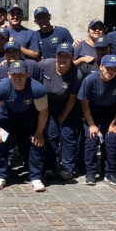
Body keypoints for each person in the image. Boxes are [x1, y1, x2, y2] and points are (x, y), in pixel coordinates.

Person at [0, 61, 49, 191]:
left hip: (29, 114)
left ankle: (36, 177)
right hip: (7, 114)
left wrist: (39, 132)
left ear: (27, 74)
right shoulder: (1, 87)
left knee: (36, 141)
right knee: (0, 139)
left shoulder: (37, 88)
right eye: (14, 75)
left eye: (21, 75)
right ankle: (0, 176)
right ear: (9, 75)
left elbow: (43, 112)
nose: (18, 78)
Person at [78, 54, 116, 186]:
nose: (111, 72)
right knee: (91, 140)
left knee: (111, 139)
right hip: (92, 112)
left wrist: (113, 124)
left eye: (114, 69)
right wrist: (91, 124)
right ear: (101, 67)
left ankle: (110, 172)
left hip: (111, 113)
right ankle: (90, 173)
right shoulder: (90, 80)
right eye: (108, 68)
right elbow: (84, 103)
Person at [39, 43, 81, 181]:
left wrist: (63, 116)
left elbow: (72, 98)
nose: (63, 59)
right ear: (56, 56)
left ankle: (67, 168)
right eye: (60, 56)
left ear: (72, 57)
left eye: (66, 56)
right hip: (48, 105)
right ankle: (49, 167)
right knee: (51, 135)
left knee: (68, 134)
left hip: (68, 105)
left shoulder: (77, 74)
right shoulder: (45, 65)